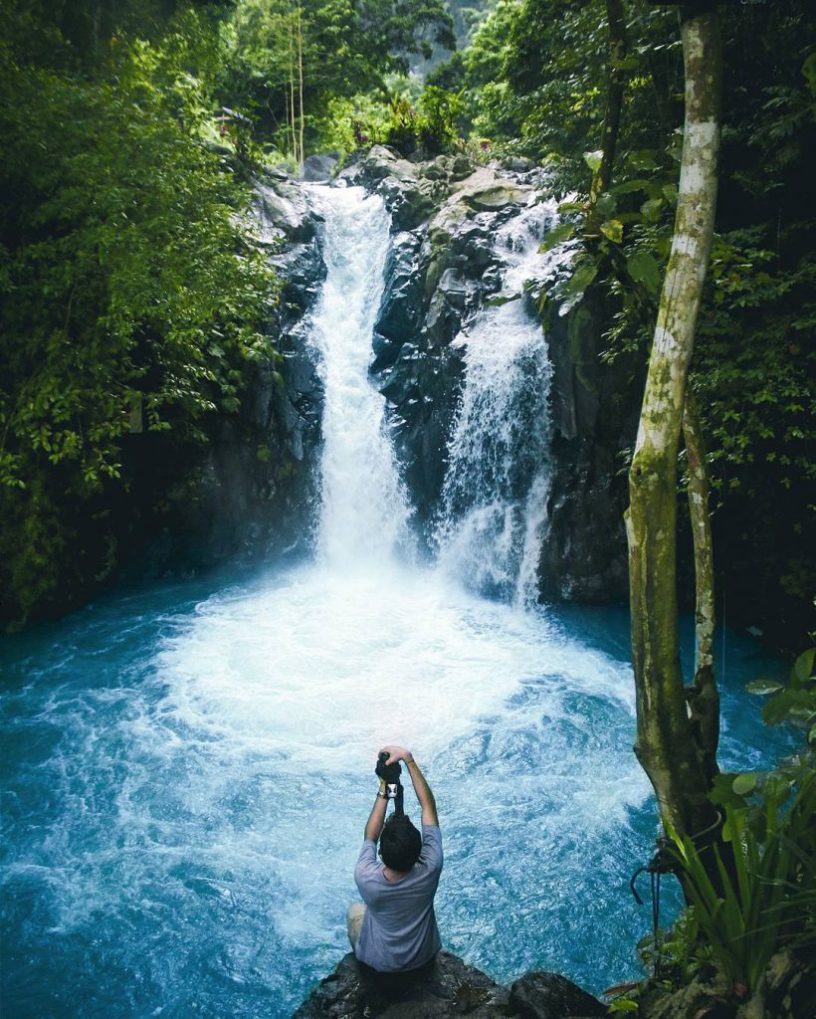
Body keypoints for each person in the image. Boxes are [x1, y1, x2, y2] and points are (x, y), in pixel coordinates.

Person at [347, 744, 443, 973]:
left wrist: (385, 787)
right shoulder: (431, 865)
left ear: (382, 853)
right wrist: (408, 759)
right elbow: (428, 806)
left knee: (355, 911)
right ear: (420, 848)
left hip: (378, 963)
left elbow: (370, 835)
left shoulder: (365, 876)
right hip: (423, 959)